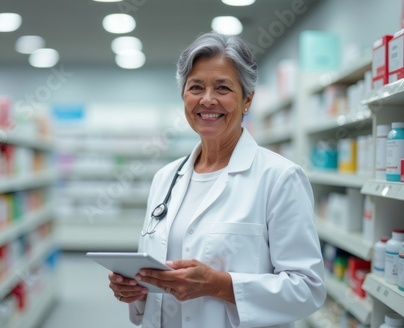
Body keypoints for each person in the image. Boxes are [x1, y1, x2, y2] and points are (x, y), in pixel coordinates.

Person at [108, 31, 326, 328]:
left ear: (247, 99)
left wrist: (219, 285)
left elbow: (308, 289)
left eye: (223, 88)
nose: (207, 100)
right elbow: (154, 273)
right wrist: (135, 290)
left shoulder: (280, 177)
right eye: (196, 87)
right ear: (184, 96)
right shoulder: (165, 178)